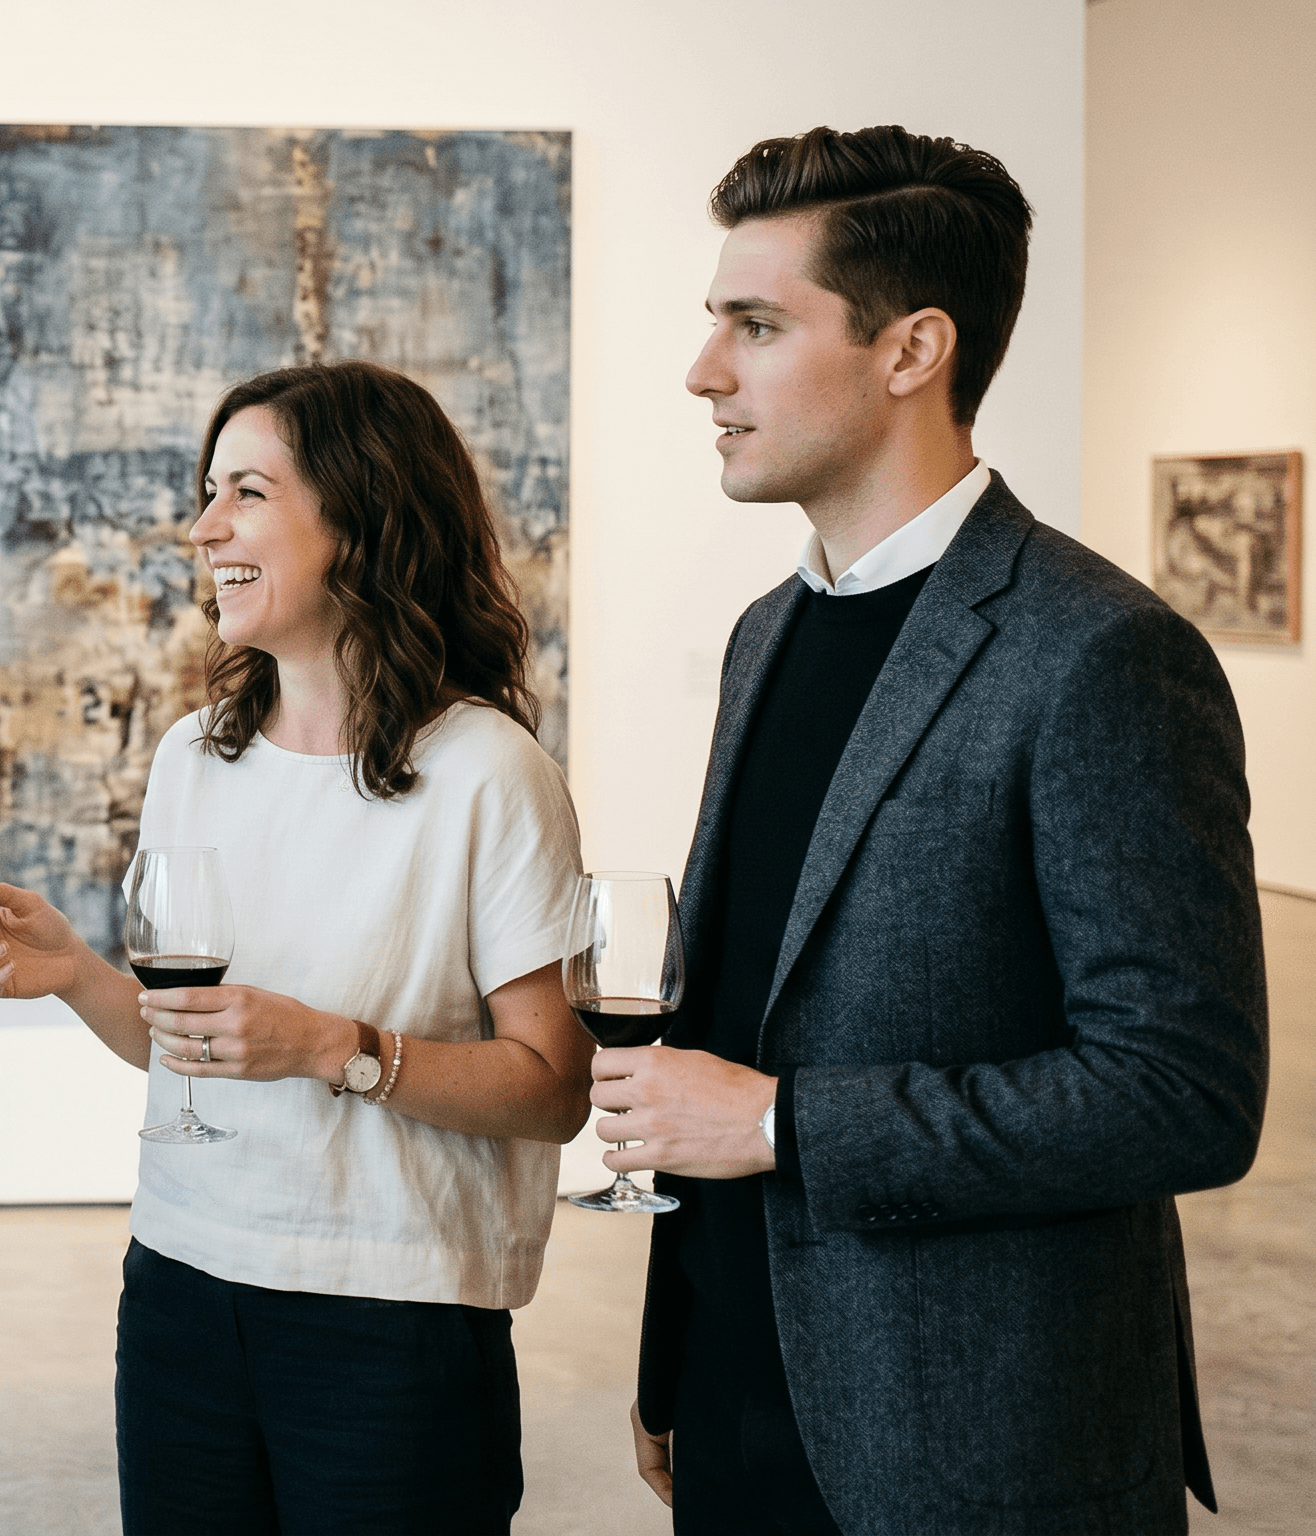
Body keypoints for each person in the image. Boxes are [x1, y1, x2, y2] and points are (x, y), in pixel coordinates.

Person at [597, 126, 1268, 1535]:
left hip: (970, 1452)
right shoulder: (766, 634)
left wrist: (782, 1124)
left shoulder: (1101, 655)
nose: (703, 370)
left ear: (912, 351)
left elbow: (1183, 1094)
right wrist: (678, 1361)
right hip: (733, 1403)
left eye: (757, 325)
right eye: (714, 321)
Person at [0, 360, 593, 1533]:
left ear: (363, 516)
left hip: (389, 1319)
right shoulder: (198, 754)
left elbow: (552, 1089)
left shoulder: (489, 774)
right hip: (180, 1287)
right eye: (207, 493)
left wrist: (333, 1049)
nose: (204, 529)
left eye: (246, 492)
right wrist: (79, 980)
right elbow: (188, 1053)